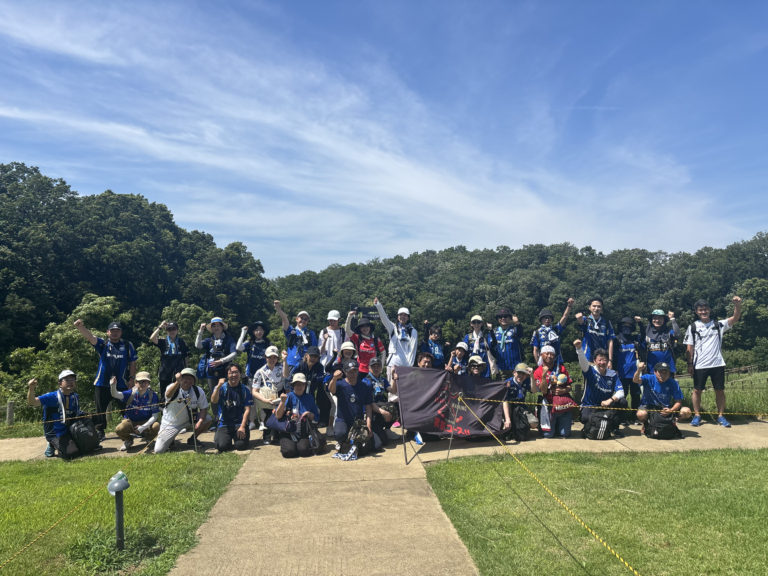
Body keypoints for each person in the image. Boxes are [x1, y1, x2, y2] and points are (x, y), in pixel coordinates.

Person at [684, 296, 743, 427]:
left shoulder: (718, 324)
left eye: (705, 309)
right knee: (697, 391)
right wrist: (689, 364)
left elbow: (735, 318)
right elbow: (689, 347)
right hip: (699, 365)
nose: (703, 312)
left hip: (717, 364)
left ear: (709, 310)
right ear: (696, 312)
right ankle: (697, 415)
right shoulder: (692, 327)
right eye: (700, 310)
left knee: (720, 390)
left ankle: (721, 416)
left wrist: (737, 305)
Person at [74, 319, 137, 441]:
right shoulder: (103, 344)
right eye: (112, 331)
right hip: (102, 382)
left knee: (126, 407)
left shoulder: (127, 345)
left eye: (117, 330)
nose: (115, 333)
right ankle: (100, 431)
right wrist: (80, 327)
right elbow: (91, 337)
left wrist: (132, 379)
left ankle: (131, 428)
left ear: (121, 332)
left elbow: (133, 362)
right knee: (100, 410)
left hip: (121, 383)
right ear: (108, 332)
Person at [27, 369, 97, 459]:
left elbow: (76, 413)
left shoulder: (75, 396)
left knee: (88, 446)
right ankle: (51, 444)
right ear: (60, 383)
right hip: (55, 432)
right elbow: (32, 402)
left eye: (72, 380)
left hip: (70, 429)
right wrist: (31, 388)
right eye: (67, 380)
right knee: (71, 453)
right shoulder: (52, 396)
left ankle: (69, 442)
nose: (70, 382)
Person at [574, 340, 627, 434]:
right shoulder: (589, 370)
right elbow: (583, 362)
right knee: (585, 417)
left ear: (608, 361)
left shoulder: (613, 374)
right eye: (600, 360)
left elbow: (621, 392)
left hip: (606, 405)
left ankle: (614, 427)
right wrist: (579, 349)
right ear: (594, 361)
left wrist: (610, 400)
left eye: (605, 360)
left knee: (622, 402)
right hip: (590, 406)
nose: (602, 362)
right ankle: (589, 426)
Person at [154, 368, 212, 454]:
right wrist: (177, 382)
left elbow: (203, 408)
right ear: (180, 378)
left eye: (191, 378)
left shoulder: (198, 391)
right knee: (159, 450)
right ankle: (171, 440)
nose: (188, 381)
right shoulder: (173, 387)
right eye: (185, 378)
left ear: (194, 381)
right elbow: (168, 395)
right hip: (171, 424)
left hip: (190, 419)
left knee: (208, 418)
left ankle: (193, 439)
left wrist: (200, 421)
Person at [327, 360, 381, 451]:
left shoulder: (364, 386)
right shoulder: (340, 384)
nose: (353, 374)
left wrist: (368, 425)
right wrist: (334, 378)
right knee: (340, 434)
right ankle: (342, 441)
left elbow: (368, 407)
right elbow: (331, 390)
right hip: (343, 420)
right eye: (350, 371)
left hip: (358, 422)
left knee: (376, 445)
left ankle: (352, 440)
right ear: (345, 372)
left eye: (355, 371)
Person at [109, 372, 160, 451]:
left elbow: (155, 416)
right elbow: (115, 394)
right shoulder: (130, 393)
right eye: (140, 382)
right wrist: (113, 385)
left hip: (146, 421)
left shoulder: (153, 396)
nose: (143, 384)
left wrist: (143, 427)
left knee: (156, 425)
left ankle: (149, 439)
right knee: (119, 429)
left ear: (149, 383)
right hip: (131, 421)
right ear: (136, 383)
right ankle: (128, 440)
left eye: (145, 382)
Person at [274, 372, 320, 458]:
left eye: (302, 384)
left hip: (304, 431)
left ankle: (299, 445)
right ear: (293, 385)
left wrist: (309, 414)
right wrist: (282, 402)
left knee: (304, 450)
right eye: (297, 384)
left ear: (305, 385)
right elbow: (278, 416)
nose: (299, 387)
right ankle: (289, 444)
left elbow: (316, 417)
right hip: (289, 430)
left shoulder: (309, 397)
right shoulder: (288, 396)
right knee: (289, 452)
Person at [632, 361, 691, 427]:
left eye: (666, 372)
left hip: (665, 407)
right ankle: (646, 425)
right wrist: (639, 370)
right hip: (648, 405)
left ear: (669, 373)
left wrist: (671, 410)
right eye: (660, 372)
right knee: (641, 414)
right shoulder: (649, 378)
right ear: (655, 372)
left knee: (686, 411)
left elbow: (678, 401)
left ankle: (673, 421)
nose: (663, 375)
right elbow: (635, 380)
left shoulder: (673, 383)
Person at [532, 345, 574, 437]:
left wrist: (563, 390)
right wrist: (543, 376)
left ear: (555, 356)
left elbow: (570, 386)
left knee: (565, 434)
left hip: (563, 405)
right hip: (548, 405)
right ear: (541, 355)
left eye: (552, 354)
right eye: (546, 353)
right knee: (548, 435)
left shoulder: (561, 368)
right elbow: (543, 391)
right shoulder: (538, 371)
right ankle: (550, 425)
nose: (549, 356)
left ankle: (558, 424)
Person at [211, 364, 253, 452]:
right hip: (224, 423)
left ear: (240, 374)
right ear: (227, 375)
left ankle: (235, 438)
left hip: (239, 423)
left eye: (236, 372)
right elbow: (213, 401)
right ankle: (226, 438)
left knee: (241, 446)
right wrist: (218, 386)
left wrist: (242, 426)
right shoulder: (221, 388)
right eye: (231, 373)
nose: (234, 375)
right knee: (221, 446)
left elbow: (247, 409)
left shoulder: (245, 389)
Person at [374, 297, 418, 379]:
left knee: (404, 386)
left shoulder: (413, 331)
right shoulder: (393, 328)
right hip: (392, 363)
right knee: (391, 386)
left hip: (405, 365)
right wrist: (378, 306)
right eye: (401, 315)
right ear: (398, 317)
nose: (403, 317)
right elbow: (384, 319)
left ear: (408, 317)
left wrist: (409, 366)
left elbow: (413, 349)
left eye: (405, 315)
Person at [251, 346, 286, 441]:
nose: (272, 359)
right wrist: (265, 400)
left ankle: (277, 434)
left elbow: (286, 376)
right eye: (269, 357)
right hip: (267, 397)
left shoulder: (282, 368)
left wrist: (285, 361)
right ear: (265, 357)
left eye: (274, 357)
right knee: (268, 415)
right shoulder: (260, 372)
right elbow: (254, 391)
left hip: (280, 396)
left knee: (280, 414)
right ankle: (267, 435)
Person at [149, 320, 189, 402]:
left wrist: (186, 370)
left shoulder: (181, 342)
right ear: (167, 331)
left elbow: (185, 357)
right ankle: (164, 408)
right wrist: (160, 327)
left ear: (177, 330)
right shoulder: (163, 341)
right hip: (165, 372)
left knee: (179, 394)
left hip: (178, 372)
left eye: (174, 329)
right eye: (169, 329)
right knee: (164, 395)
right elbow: (152, 338)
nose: (172, 331)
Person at [195, 317, 237, 395]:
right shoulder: (209, 340)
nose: (216, 328)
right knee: (214, 393)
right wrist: (200, 331)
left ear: (222, 327)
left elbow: (234, 354)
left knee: (226, 393)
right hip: (211, 371)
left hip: (225, 370)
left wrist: (221, 361)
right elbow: (198, 345)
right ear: (211, 328)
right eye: (214, 326)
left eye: (218, 325)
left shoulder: (229, 339)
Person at [363, 356, 399, 447]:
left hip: (380, 407)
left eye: (378, 366)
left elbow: (393, 391)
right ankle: (375, 429)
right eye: (373, 366)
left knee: (396, 406)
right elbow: (369, 403)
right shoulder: (366, 381)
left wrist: (394, 379)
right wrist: (384, 412)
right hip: (371, 411)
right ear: (369, 368)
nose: (376, 368)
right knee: (384, 441)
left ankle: (387, 429)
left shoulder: (382, 379)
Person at [614, 317, 645, 417]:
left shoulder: (635, 339)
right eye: (624, 326)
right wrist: (614, 369)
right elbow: (613, 356)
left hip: (635, 373)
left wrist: (640, 323)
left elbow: (644, 335)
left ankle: (634, 416)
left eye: (629, 326)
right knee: (622, 395)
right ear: (620, 327)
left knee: (636, 395)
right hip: (621, 373)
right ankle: (621, 417)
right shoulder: (616, 339)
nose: (626, 328)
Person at [289, 345, 327, 425]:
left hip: (310, 393)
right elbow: (290, 377)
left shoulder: (319, 367)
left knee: (312, 412)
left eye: (315, 356)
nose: (313, 358)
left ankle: (311, 426)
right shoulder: (300, 365)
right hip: (297, 393)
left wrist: (316, 378)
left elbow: (321, 378)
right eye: (311, 356)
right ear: (306, 355)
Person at [275, 300, 318, 370]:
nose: (303, 320)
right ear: (297, 319)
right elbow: (285, 319)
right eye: (301, 318)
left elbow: (314, 349)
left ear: (308, 321)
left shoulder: (311, 333)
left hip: (306, 365)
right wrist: (278, 309)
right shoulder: (291, 330)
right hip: (292, 363)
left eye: (306, 319)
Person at [531, 298, 574, 365]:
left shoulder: (556, 329)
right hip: (544, 361)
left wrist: (569, 306)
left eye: (549, 318)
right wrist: (538, 364)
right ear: (541, 319)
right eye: (545, 318)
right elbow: (535, 350)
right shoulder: (537, 332)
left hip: (557, 361)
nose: (547, 319)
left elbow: (564, 317)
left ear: (551, 319)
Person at [575, 297, 615, 367]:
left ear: (601, 309)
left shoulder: (606, 322)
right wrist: (579, 318)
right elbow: (581, 322)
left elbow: (610, 341)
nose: (596, 308)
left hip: (602, 359)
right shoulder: (586, 320)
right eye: (594, 306)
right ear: (589, 307)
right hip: (587, 358)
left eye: (599, 306)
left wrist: (610, 360)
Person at [639, 309, 680, 374]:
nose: (657, 320)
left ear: (664, 320)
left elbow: (677, 334)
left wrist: (672, 319)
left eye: (660, 318)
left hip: (668, 368)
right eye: (655, 318)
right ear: (651, 320)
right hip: (651, 369)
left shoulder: (668, 332)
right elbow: (641, 349)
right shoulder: (646, 334)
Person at [502, 363, 535, 437]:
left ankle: (520, 426)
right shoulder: (508, 383)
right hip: (510, 408)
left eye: (523, 374)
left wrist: (532, 376)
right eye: (519, 373)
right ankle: (508, 425)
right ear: (514, 373)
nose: (521, 376)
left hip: (521, 407)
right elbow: (504, 401)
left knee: (534, 423)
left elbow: (534, 391)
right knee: (508, 428)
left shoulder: (527, 380)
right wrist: (507, 419)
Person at [493, 309, 524, 379]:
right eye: (500, 317)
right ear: (498, 319)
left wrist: (517, 323)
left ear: (510, 318)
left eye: (505, 316)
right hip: (500, 368)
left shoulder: (515, 329)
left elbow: (521, 334)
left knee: (516, 385)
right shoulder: (494, 332)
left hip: (515, 367)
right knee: (502, 385)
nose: (503, 318)